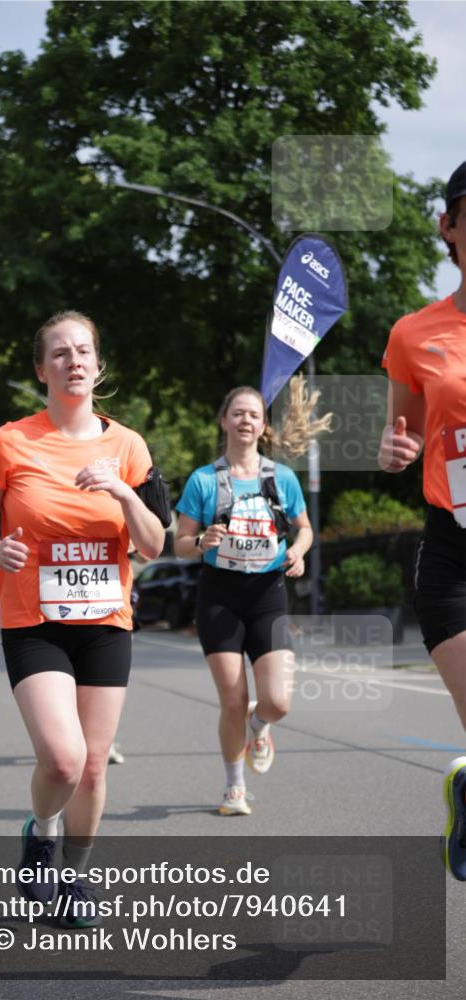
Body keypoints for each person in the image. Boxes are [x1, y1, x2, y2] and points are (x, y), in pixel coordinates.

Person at [0, 310, 164, 927]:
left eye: (83, 351)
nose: (73, 360)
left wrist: (124, 493)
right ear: (41, 370)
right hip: (35, 622)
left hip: (106, 621)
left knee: (95, 765)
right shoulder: (10, 442)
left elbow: (154, 545)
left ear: (98, 365)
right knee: (62, 760)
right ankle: (42, 828)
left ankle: (75, 876)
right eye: (59, 353)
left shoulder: (128, 446)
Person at [175, 377, 327, 816]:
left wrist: (297, 553)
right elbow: (180, 542)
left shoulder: (281, 479)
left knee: (277, 701)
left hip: (267, 593)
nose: (245, 420)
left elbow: (304, 528)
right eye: (237, 412)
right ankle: (234, 786)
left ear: (263, 426)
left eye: (254, 415)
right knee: (233, 700)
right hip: (220, 596)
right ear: (224, 421)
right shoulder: (204, 481)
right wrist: (203, 539)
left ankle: (260, 727)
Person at [378, 160, 466, 881]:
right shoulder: (414, 333)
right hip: (453, 556)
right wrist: (394, 449)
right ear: (449, 226)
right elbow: (400, 439)